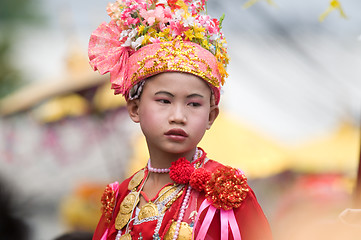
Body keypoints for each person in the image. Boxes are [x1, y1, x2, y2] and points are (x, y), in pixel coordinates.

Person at [88, 0, 272, 239]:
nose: (178, 116)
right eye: (164, 101)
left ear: (211, 116)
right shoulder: (120, 197)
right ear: (134, 108)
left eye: (194, 104)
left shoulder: (227, 195)